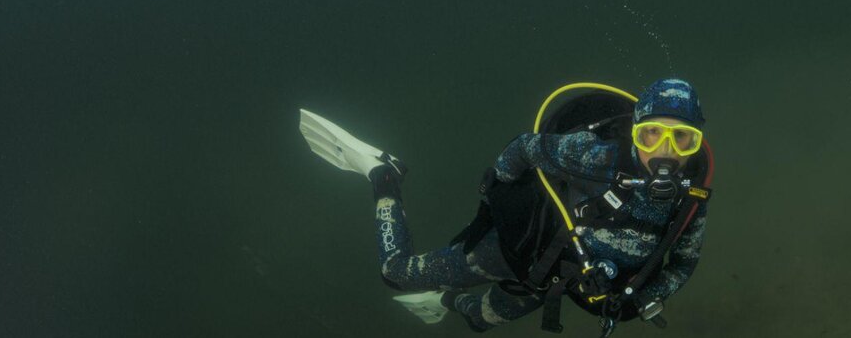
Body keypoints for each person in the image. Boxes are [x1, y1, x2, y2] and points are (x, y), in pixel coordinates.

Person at [299, 79, 713, 336]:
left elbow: (683, 264)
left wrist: (644, 298)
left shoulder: (691, 198)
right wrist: (494, 197)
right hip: (513, 250)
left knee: (479, 321)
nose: (665, 152)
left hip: (553, 281)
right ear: (634, 133)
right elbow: (525, 148)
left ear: (696, 144)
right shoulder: (593, 155)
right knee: (395, 273)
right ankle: (383, 175)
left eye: (683, 140)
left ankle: (442, 303)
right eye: (652, 134)